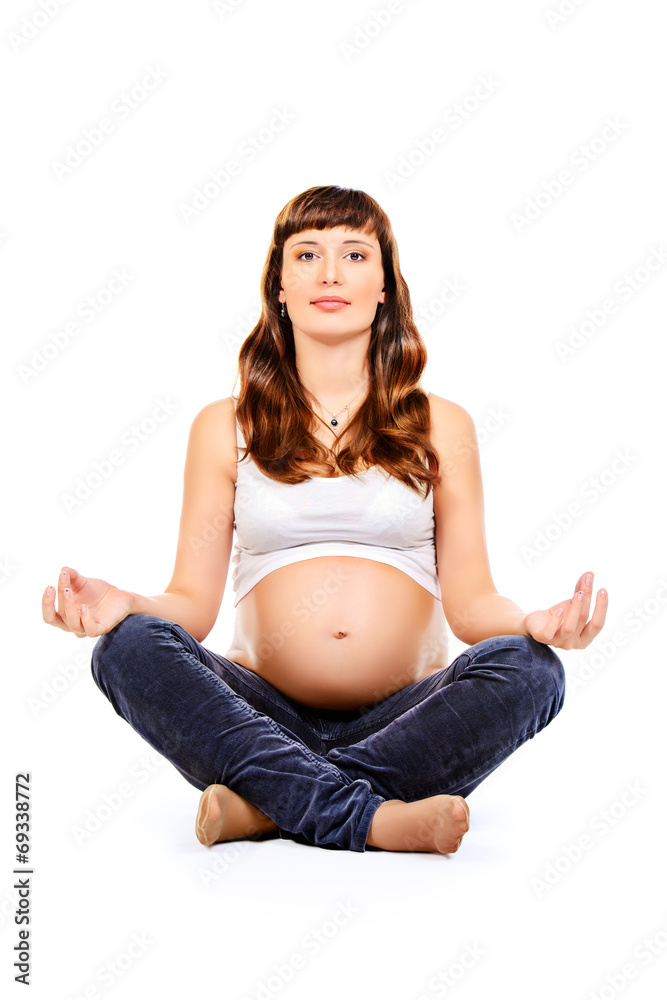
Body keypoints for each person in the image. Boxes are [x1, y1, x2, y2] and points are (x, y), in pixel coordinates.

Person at [42, 185, 608, 855]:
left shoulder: (441, 425)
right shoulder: (223, 426)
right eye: (307, 254)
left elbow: (471, 605)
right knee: (127, 648)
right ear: (279, 286)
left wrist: (533, 623)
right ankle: (371, 818)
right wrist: (126, 604)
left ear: (384, 287)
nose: (330, 273)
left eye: (354, 254)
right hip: (258, 716)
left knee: (533, 670)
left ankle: (270, 806)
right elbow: (190, 605)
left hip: (407, 719)